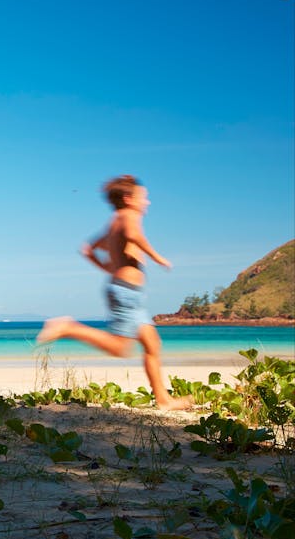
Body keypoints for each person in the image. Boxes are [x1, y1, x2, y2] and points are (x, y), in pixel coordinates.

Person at [36, 175, 193, 410]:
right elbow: (134, 235)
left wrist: (109, 267)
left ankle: (163, 400)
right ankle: (69, 327)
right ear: (129, 199)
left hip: (128, 291)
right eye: (144, 197)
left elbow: (88, 249)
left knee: (152, 344)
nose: (147, 202)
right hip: (127, 292)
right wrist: (157, 257)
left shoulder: (114, 221)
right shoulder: (129, 216)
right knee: (121, 348)